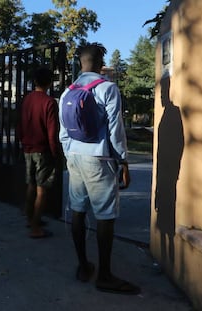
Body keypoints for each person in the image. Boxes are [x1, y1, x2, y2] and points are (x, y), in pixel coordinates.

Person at [59, 42, 141, 294]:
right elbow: (116, 128)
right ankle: (104, 275)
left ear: (81, 62)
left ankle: (84, 265)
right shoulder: (107, 88)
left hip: (73, 156)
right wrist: (122, 160)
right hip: (99, 158)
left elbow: (63, 133)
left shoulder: (67, 92)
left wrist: (70, 154)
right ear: (99, 62)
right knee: (105, 214)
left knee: (77, 209)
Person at [17, 67, 60, 239]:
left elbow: (19, 124)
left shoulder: (26, 100)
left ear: (34, 82)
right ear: (49, 82)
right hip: (43, 151)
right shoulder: (49, 102)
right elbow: (52, 132)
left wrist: (23, 141)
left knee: (31, 185)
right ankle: (36, 228)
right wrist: (55, 152)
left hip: (28, 149)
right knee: (42, 189)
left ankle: (30, 218)